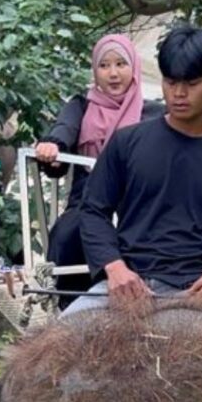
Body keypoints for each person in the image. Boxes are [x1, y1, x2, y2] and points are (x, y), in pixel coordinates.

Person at [66, 23, 202, 345]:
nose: (178, 93)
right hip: (126, 287)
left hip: (200, 296)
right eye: (171, 82)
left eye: (192, 83)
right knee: (47, 349)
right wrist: (115, 268)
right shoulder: (126, 143)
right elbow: (93, 212)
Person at [33, 34, 162, 305]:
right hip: (89, 200)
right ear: (95, 70)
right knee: (69, 233)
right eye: (104, 65)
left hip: (138, 203)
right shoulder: (81, 106)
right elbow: (64, 129)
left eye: (121, 64)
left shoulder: (154, 114)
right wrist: (53, 147)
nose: (113, 73)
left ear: (134, 67)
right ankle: (70, 308)